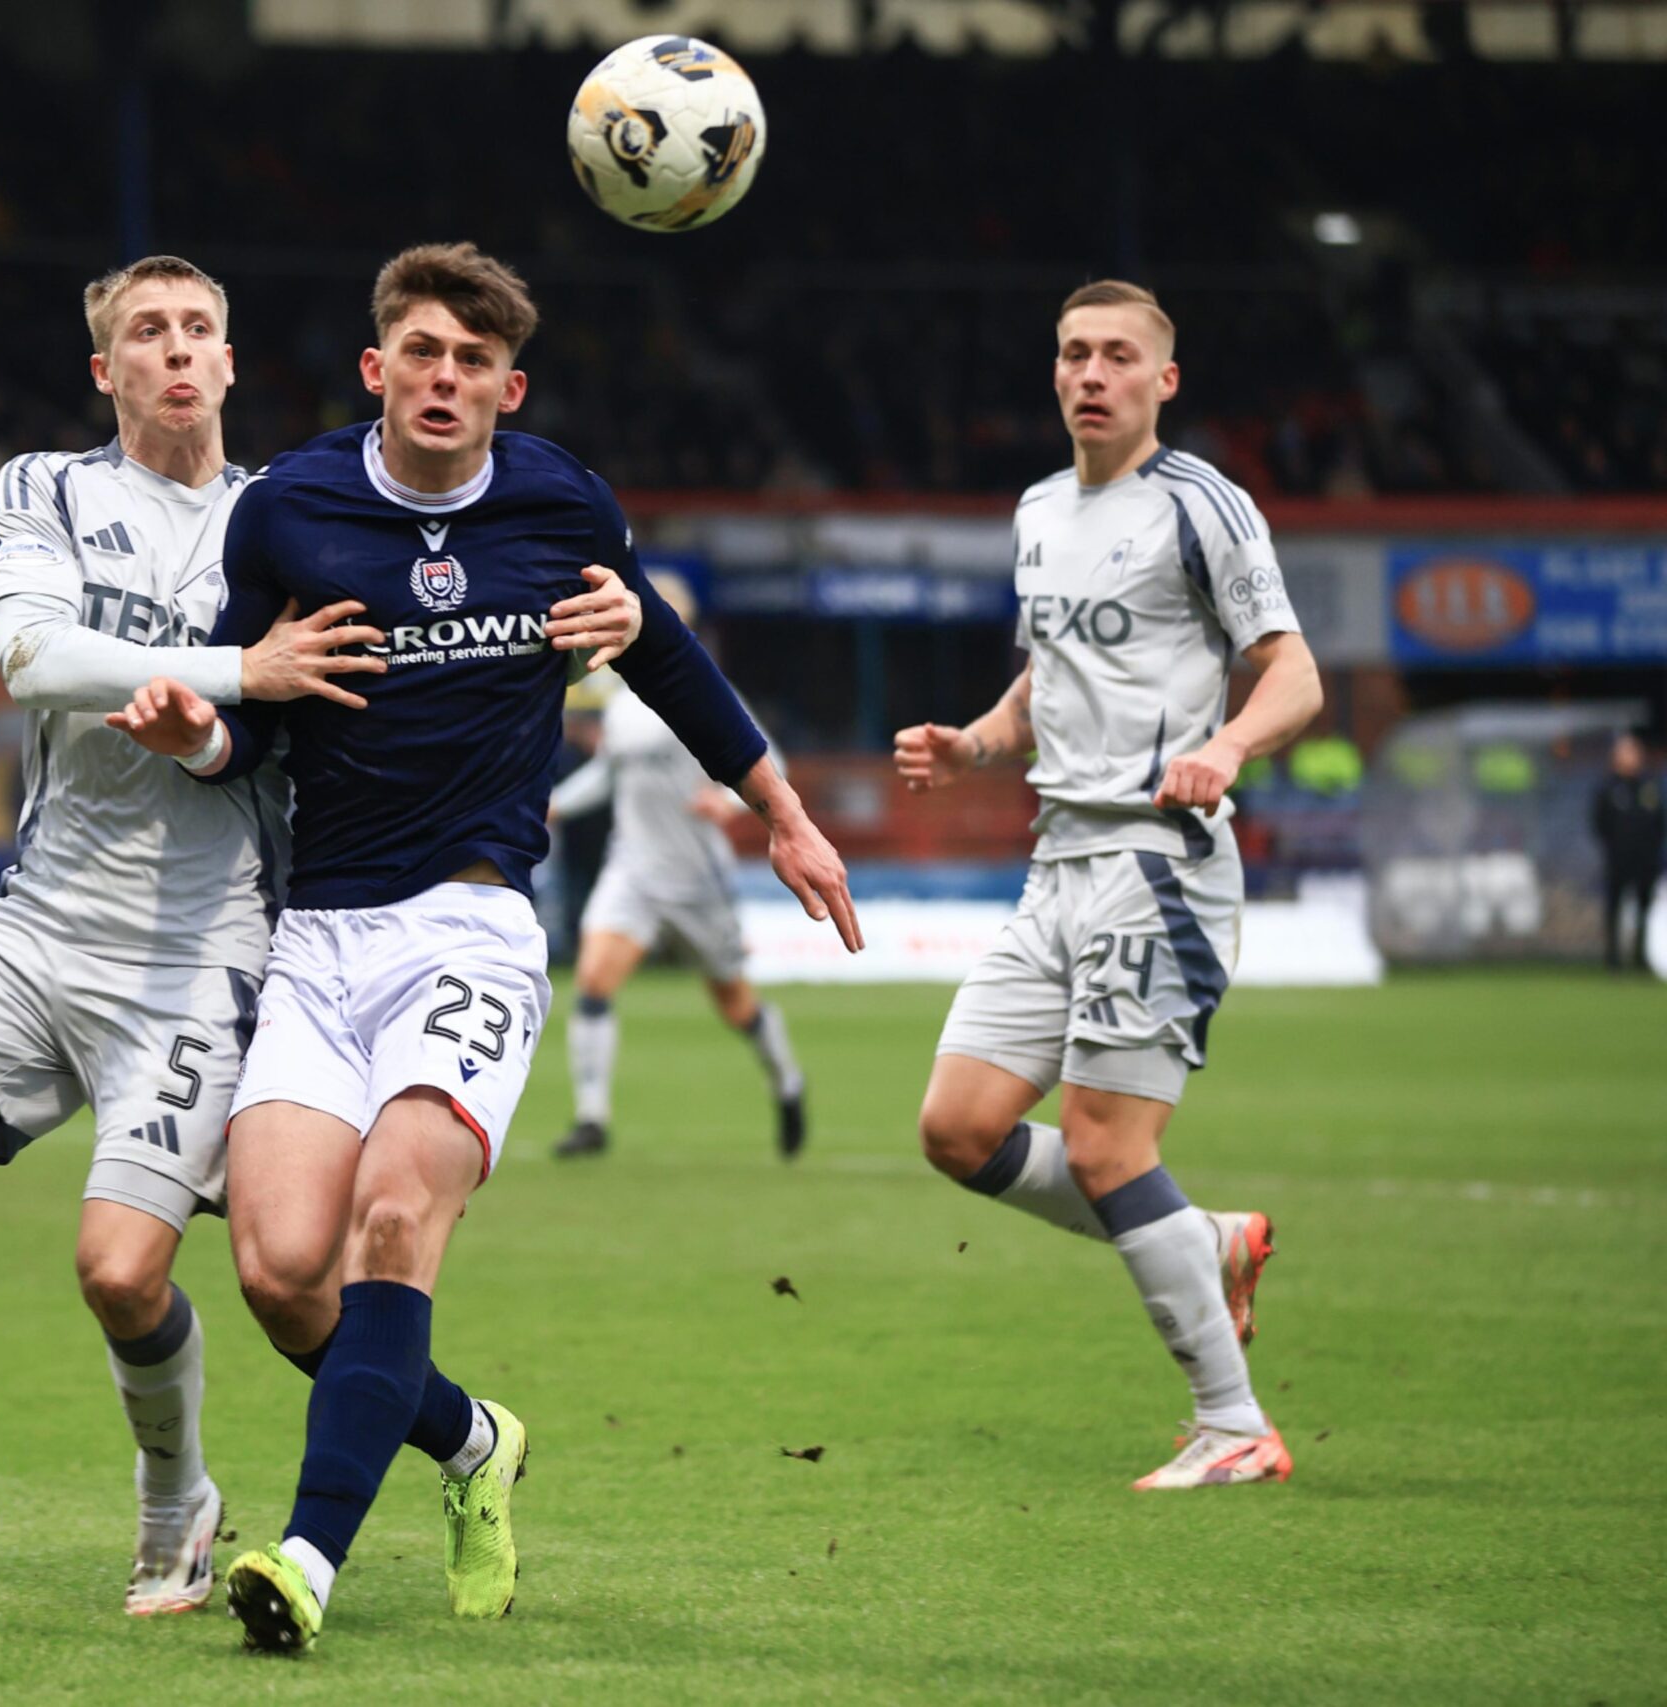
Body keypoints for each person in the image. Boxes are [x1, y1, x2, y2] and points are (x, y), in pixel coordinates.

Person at [0, 253, 643, 1621]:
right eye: (146, 333)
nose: (177, 351)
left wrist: (617, 623)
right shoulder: (43, 490)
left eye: (199, 330)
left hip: (205, 954)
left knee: (135, 1272)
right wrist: (248, 669)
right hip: (34, 927)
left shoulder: (296, 514)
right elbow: (34, 658)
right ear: (105, 368)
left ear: (232, 364)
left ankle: (185, 1504)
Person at [110, 242, 861, 1652]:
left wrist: (785, 812)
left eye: (473, 362)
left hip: (471, 923)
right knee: (279, 1271)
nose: (444, 379)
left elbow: (667, 658)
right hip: (319, 935)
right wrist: (198, 729)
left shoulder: (561, 500)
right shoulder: (289, 510)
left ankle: (308, 1558)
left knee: (397, 1213)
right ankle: (469, 1441)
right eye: (423, 353)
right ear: (374, 368)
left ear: (508, 388)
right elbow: (251, 712)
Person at [893, 280, 1325, 1491]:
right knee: (957, 1129)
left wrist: (1227, 746)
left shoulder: (1202, 506)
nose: (1092, 373)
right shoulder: (1038, 509)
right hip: (1055, 864)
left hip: (1158, 863)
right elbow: (1048, 672)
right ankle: (1203, 1243)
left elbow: (1292, 674)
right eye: (1074, 353)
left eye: (1117, 356)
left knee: (1102, 1148)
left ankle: (1233, 1425)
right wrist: (978, 745)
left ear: (1161, 381)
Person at [545, 575, 808, 1161]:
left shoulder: (706, 694)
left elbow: (774, 764)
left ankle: (787, 1083)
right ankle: (592, 1119)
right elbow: (609, 778)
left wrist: (731, 801)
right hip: (633, 870)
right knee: (592, 982)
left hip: (696, 879)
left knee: (735, 1004)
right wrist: (556, 804)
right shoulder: (619, 706)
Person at [1592, 730, 1663, 974]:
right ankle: (1612, 957)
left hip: (1645, 859)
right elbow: (1599, 823)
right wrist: (1613, 846)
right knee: (1614, 906)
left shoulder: (1649, 787)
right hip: (1617, 859)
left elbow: (1659, 821)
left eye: (1633, 752)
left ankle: (1640, 956)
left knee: (1645, 905)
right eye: (1624, 752)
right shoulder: (1608, 788)